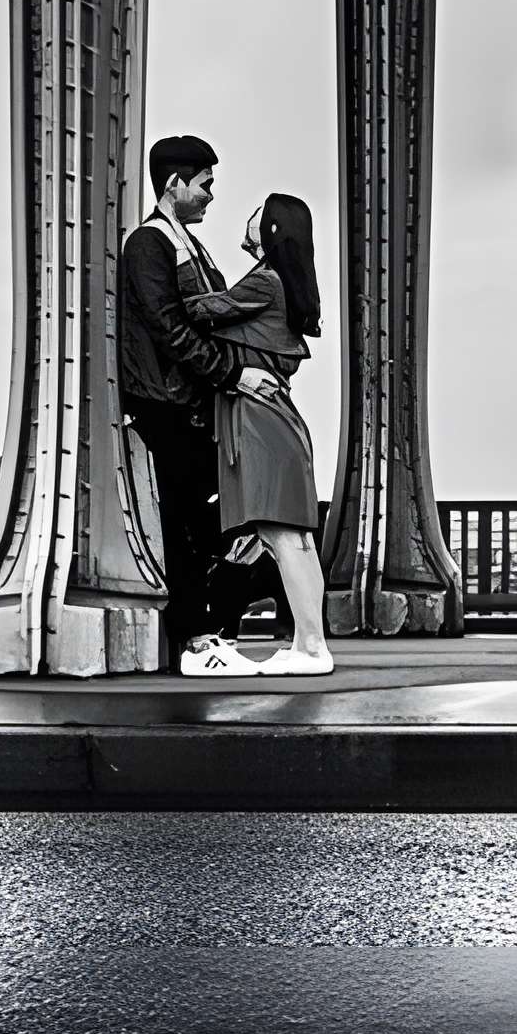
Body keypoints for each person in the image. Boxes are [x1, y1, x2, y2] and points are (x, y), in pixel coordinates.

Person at [116, 135, 284, 677]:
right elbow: (170, 329)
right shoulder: (150, 244)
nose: (211, 195)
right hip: (168, 403)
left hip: (188, 400)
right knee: (188, 523)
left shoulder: (183, 242)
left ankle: (216, 619)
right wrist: (234, 374)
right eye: (205, 184)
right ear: (175, 184)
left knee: (203, 517)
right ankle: (197, 639)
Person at [176, 191, 335, 677]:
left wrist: (169, 277)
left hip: (260, 420)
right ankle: (309, 642)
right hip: (278, 419)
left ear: (271, 229)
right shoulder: (284, 281)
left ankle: (312, 649)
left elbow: (203, 310)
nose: (247, 219)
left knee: (282, 537)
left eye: (257, 215)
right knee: (296, 540)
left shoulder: (265, 281)